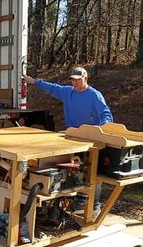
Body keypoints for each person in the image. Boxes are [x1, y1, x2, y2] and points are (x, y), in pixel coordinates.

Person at [23, 66, 113, 217]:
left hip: (91, 140)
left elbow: (106, 114)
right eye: (73, 80)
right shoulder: (68, 92)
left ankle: (94, 205)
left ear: (85, 78)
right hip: (73, 137)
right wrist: (34, 81)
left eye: (78, 80)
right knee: (73, 169)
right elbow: (52, 88)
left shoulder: (94, 95)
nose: (75, 83)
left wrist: (101, 129)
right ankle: (77, 197)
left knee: (93, 172)